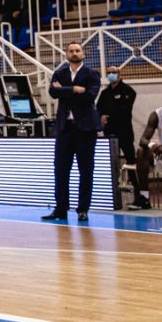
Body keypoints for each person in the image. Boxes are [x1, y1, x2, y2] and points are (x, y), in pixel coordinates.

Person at [43, 42, 101, 222]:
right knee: (60, 170)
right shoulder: (59, 73)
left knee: (86, 170)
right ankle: (61, 208)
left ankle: (83, 209)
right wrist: (74, 89)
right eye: (71, 51)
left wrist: (64, 90)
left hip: (85, 129)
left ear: (83, 54)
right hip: (65, 128)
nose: (74, 53)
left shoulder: (92, 74)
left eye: (77, 50)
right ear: (66, 54)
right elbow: (53, 92)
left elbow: (90, 95)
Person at [96, 67, 137, 172]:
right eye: (108, 73)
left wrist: (108, 115)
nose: (111, 74)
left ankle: (134, 182)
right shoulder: (105, 92)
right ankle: (115, 181)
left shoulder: (128, 90)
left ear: (119, 74)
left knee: (130, 157)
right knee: (112, 159)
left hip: (124, 130)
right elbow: (99, 107)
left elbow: (125, 108)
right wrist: (101, 116)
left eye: (113, 72)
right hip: (109, 130)